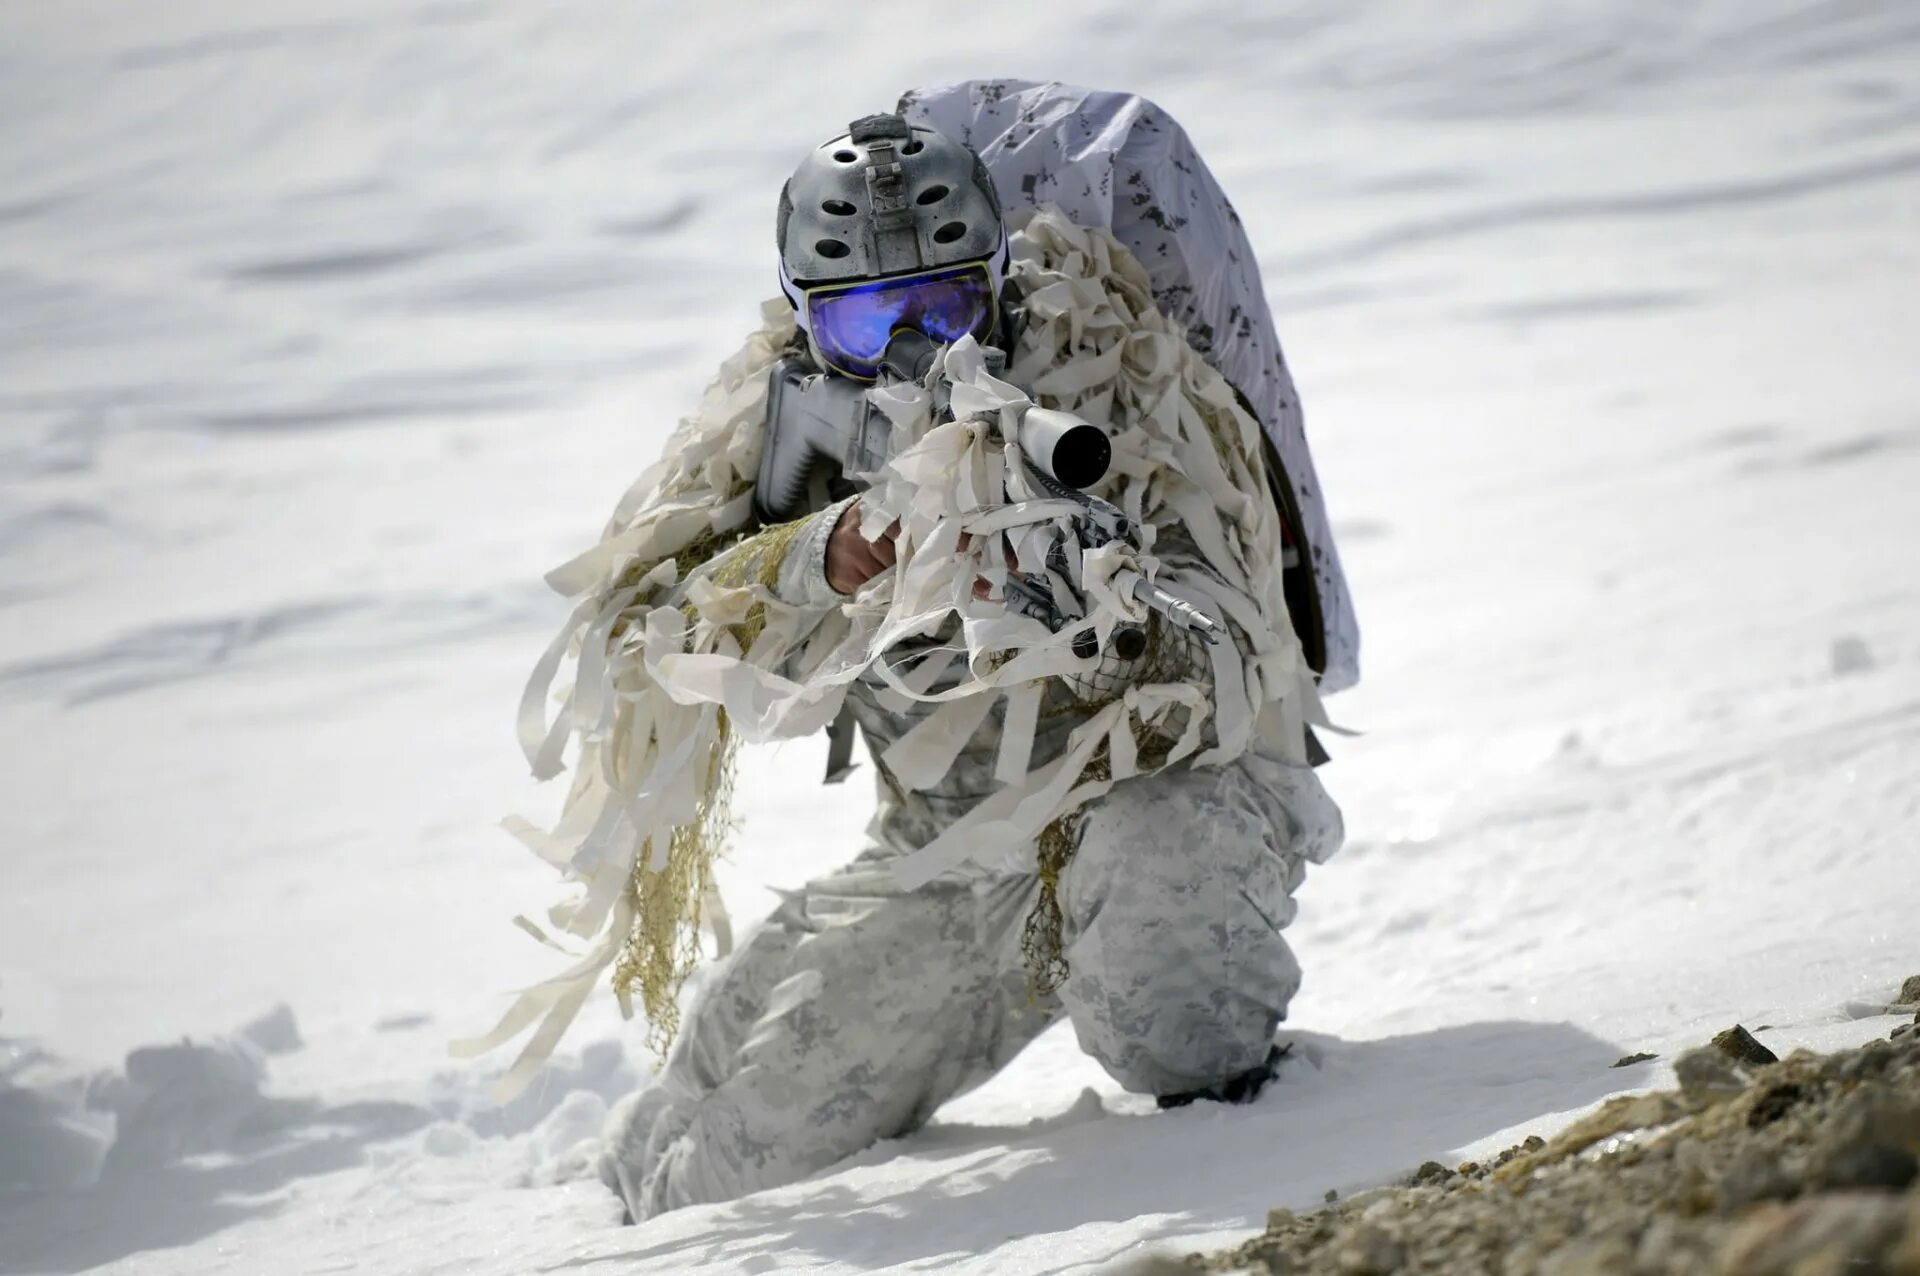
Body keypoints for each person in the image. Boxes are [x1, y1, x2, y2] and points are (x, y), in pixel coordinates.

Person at [588, 106, 1350, 1224]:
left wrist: (1106, 616)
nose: (909, 348)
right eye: (866, 320)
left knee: (1169, 992)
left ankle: (1254, 1130)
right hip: (947, 852)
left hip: (1155, 806)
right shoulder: (777, 419)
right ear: (806, 323)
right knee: (726, 1154)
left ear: (995, 283)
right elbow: (640, 634)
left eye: (942, 306)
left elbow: (1247, 654)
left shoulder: (1121, 383)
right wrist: (817, 557)